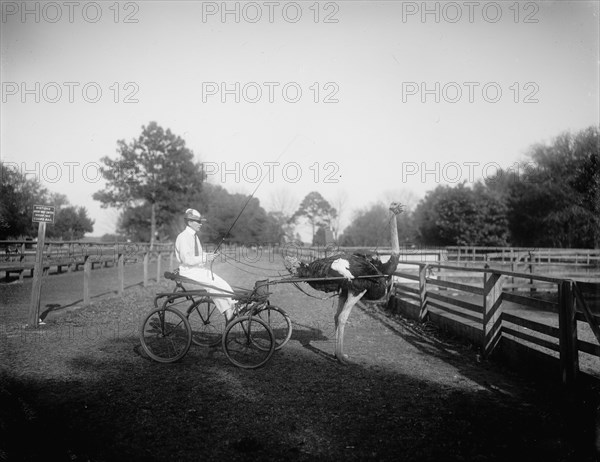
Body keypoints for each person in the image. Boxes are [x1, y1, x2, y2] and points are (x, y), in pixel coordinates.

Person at [174, 208, 235, 322]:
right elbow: (187, 259)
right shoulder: (183, 237)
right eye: (198, 221)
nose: (200, 224)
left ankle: (233, 303)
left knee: (220, 281)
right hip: (188, 271)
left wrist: (209, 255)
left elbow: (199, 255)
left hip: (197, 270)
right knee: (212, 285)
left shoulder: (194, 236)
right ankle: (227, 310)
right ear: (190, 222)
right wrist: (205, 257)